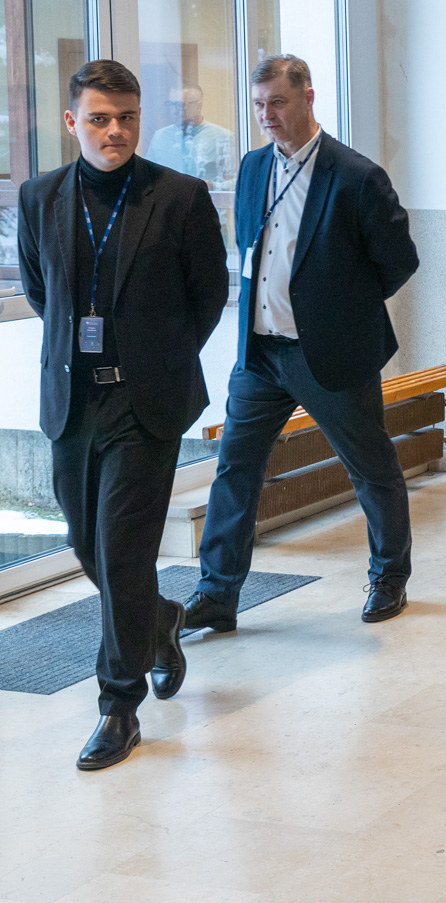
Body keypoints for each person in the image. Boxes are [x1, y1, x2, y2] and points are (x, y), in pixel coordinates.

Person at [17, 60, 227, 770]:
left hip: (145, 404)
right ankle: (160, 620)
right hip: (74, 400)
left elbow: (208, 295)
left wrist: (156, 361)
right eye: (100, 118)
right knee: (88, 546)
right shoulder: (40, 196)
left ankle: (118, 704)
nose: (115, 131)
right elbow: (42, 291)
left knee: (124, 550)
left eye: (127, 118)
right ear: (72, 122)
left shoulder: (179, 197)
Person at [180, 54, 419, 632]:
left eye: (278, 102)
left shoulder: (356, 176)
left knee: (371, 468)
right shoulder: (254, 165)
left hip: (328, 356)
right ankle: (217, 594)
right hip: (260, 355)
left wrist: (338, 312)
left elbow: (399, 262)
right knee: (235, 470)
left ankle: (389, 577)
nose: (267, 115)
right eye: (258, 104)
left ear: (308, 98)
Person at [145, 83, 236, 192]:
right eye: (171, 104)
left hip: (205, 200)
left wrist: (214, 186)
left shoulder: (223, 137)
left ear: (198, 106)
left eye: (180, 105)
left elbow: (241, 181)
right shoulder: (160, 137)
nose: (174, 110)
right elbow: (146, 177)